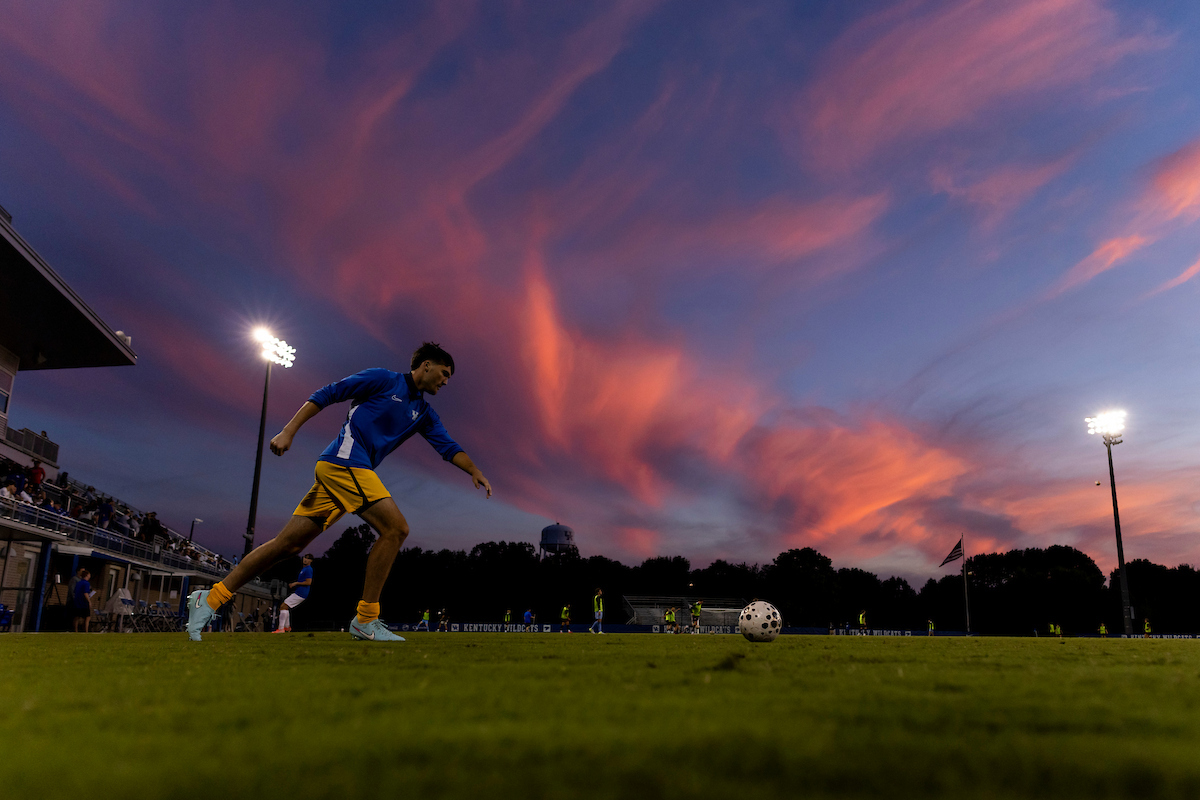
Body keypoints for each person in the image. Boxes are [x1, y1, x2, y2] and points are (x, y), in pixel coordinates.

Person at [185, 342, 492, 643]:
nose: (446, 380)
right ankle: (366, 619)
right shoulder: (383, 379)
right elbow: (329, 393)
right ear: (426, 365)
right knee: (396, 529)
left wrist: (474, 470)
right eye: (444, 372)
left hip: (345, 473)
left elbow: (448, 447)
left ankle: (211, 597)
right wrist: (288, 430)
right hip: (344, 463)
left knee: (286, 545)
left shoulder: (423, 412)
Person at [274, 554, 314, 633]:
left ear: (311, 561)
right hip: (299, 592)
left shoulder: (308, 569)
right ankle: (287, 627)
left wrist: (296, 583)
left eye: (308, 558)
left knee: (283, 606)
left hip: (301, 593)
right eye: (305, 557)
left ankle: (281, 629)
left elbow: (308, 582)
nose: (305, 559)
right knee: (285, 607)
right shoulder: (304, 569)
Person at [73, 568, 93, 632]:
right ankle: (86, 630)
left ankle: (75, 630)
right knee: (87, 617)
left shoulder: (78, 583)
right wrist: (89, 601)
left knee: (77, 616)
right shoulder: (86, 583)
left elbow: (75, 591)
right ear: (87, 575)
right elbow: (85, 593)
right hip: (83, 602)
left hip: (77, 601)